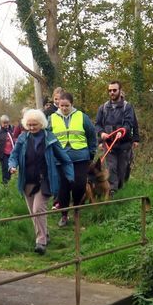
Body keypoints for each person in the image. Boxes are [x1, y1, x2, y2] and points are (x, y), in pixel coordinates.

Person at [9, 109, 74, 255]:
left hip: (45, 180)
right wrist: (12, 166)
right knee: (34, 213)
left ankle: (41, 241)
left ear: (42, 124)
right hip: (27, 181)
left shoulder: (50, 138)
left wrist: (70, 177)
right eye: (29, 125)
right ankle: (45, 235)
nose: (32, 128)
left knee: (38, 209)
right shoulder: (22, 138)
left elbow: (65, 159)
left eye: (35, 124)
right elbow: (14, 155)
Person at [47, 92, 97, 227]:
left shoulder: (82, 117)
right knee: (63, 187)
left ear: (72, 104)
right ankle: (64, 215)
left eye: (67, 106)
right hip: (60, 158)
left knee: (79, 185)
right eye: (61, 105)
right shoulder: (51, 118)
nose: (64, 108)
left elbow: (92, 135)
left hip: (80, 157)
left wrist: (92, 152)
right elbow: (46, 137)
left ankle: (76, 210)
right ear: (58, 105)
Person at [94, 80, 137, 196]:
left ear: (119, 91)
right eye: (110, 90)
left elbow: (130, 123)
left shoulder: (127, 107)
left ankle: (121, 187)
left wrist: (123, 131)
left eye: (114, 90)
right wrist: (102, 133)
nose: (112, 92)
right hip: (109, 144)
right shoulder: (103, 108)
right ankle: (112, 191)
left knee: (122, 169)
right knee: (111, 167)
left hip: (124, 143)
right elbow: (97, 124)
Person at [0, 115, 16, 185]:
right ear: (1, 123)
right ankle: (5, 184)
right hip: (3, 154)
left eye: (7, 123)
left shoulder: (12, 129)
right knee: (5, 168)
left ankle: (9, 182)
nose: (6, 124)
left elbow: (16, 138)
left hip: (12, 153)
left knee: (11, 168)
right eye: (4, 123)